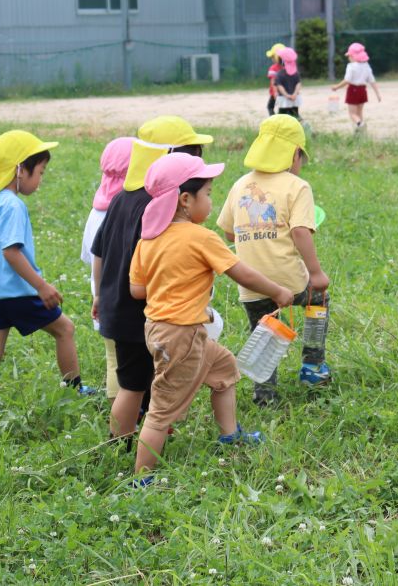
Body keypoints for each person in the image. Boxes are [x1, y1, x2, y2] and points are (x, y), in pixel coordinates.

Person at [129, 153, 294, 481]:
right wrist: (277, 291)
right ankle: (141, 479)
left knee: (225, 368)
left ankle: (229, 435)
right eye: (208, 194)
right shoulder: (200, 237)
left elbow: (137, 289)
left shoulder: (147, 240)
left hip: (159, 330)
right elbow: (242, 273)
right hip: (183, 334)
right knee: (161, 412)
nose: (211, 200)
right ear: (185, 200)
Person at [92, 116, 212, 447]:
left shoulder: (120, 199)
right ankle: (137, 439)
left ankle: (120, 442)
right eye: (191, 155)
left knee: (133, 381)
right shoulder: (157, 206)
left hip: (116, 305)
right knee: (139, 384)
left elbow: (100, 250)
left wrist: (100, 295)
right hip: (143, 311)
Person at [0, 130, 96, 403]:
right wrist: (41, 286)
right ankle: (75, 389)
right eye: (40, 172)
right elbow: (11, 252)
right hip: (18, 292)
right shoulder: (12, 205)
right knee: (65, 329)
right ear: (19, 170)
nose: (40, 179)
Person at [217, 114, 331, 407]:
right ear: (295, 154)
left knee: (263, 329)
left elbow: (229, 229)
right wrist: (315, 274)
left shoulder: (240, 184)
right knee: (318, 298)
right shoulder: (297, 186)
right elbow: (301, 232)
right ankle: (313, 367)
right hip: (288, 280)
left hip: (250, 282)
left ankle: (265, 395)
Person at [80, 137, 134, 403]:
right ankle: (134, 414)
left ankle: (116, 413)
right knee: (132, 363)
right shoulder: (131, 208)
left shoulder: (96, 210)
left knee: (113, 358)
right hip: (128, 301)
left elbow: (90, 256)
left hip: (102, 299)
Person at [331, 42, 381, 132]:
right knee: (359, 112)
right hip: (363, 90)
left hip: (353, 90)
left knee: (352, 113)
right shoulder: (366, 66)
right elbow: (372, 81)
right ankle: (362, 129)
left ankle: (360, 124)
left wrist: (336, 87)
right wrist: (377, 94)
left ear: (353, 56)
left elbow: (347, 80)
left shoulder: (351, 66)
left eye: (349, 56)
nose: (349, 58)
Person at [274, 47, 303, 119]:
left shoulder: (280, 74)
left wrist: (287, 95)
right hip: (294, 98)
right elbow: (298, 84)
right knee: (295, 115)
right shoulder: (296, 73)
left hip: (284, 99)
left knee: (281, 116)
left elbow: (279, 86)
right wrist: (295, 94)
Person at [265, 42, 285, 116]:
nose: (272, 59)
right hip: (285, 92)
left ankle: (273, 119)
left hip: (275, 93)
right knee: (283, 108)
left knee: (270, 107)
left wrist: (274, 93)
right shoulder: (286, 68)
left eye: (273, 57)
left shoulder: (273, 68)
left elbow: (273, 82)